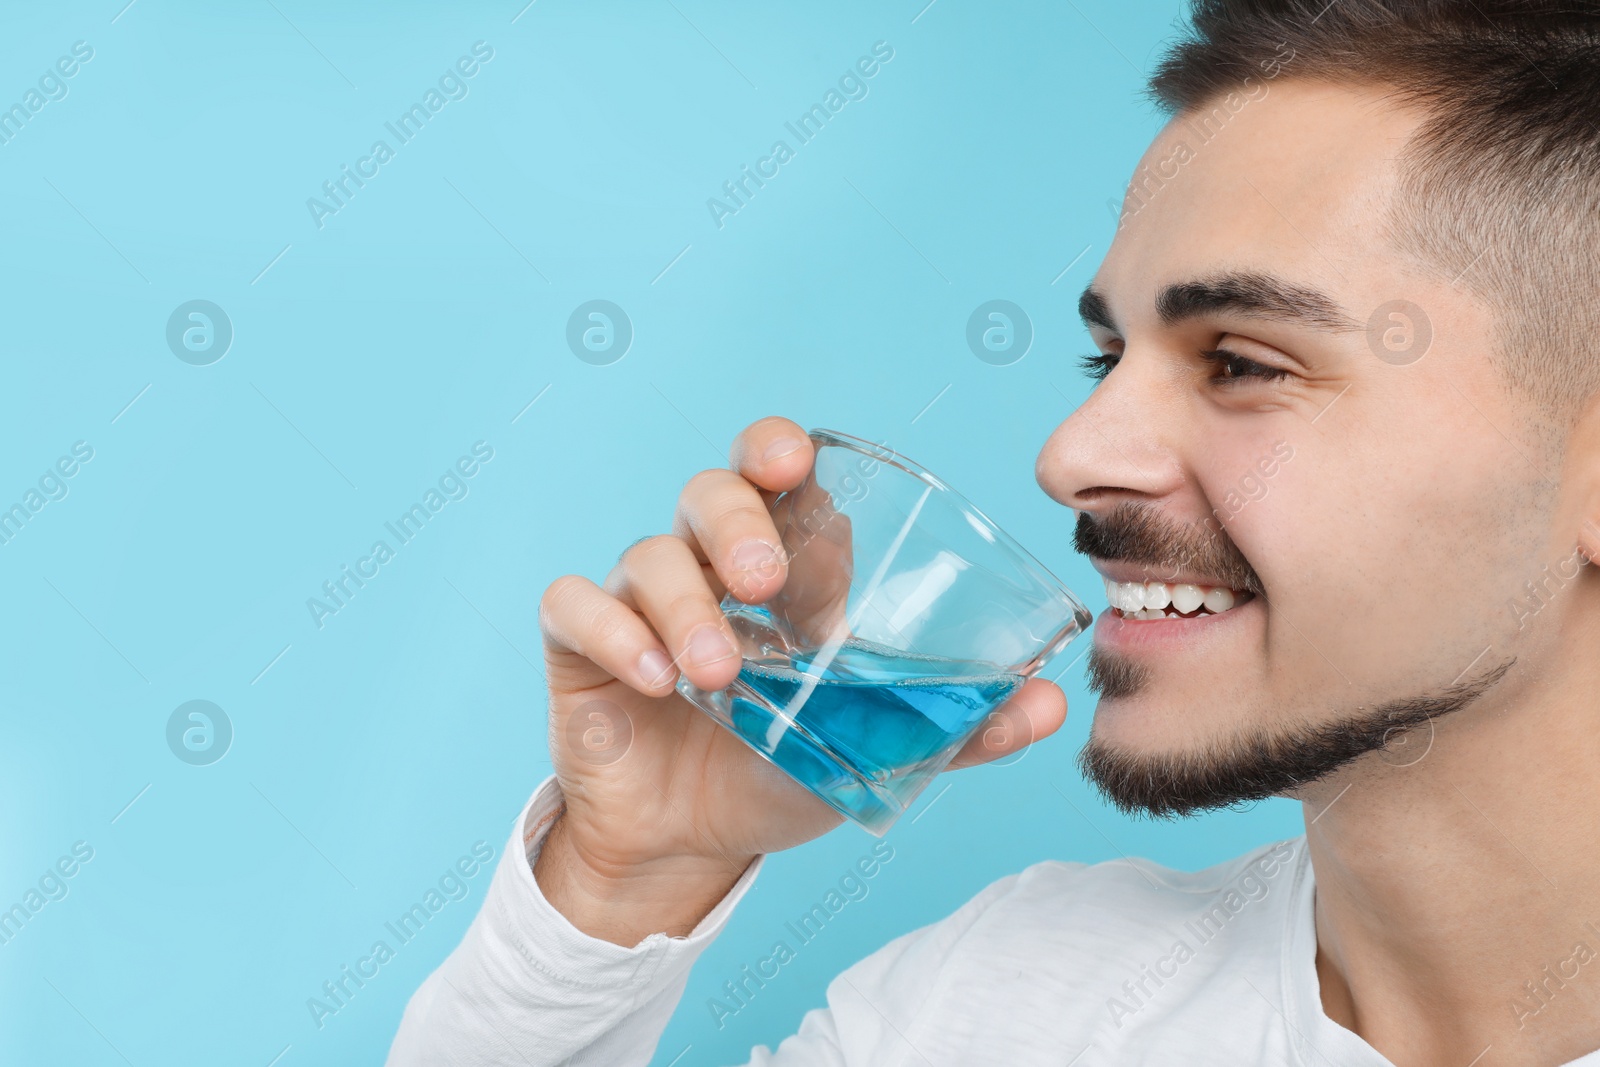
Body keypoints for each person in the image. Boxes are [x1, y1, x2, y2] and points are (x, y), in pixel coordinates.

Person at [386, 1, 1600, 1063]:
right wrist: (626, 875)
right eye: (1106, 354)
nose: (1069, 455)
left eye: (1239, 360)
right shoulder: (997, 1003)